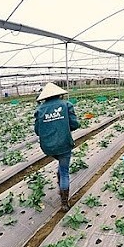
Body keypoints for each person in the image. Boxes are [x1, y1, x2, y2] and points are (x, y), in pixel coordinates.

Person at [34, 82, 81, 212]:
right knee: (65, 170)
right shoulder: (66, 105)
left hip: (49, 147)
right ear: (59, 94)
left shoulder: (40, 110)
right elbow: (75, 124)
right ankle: (64, 203)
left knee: (61, 165)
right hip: (64, 144)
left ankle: (60, 184)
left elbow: (38, 131)